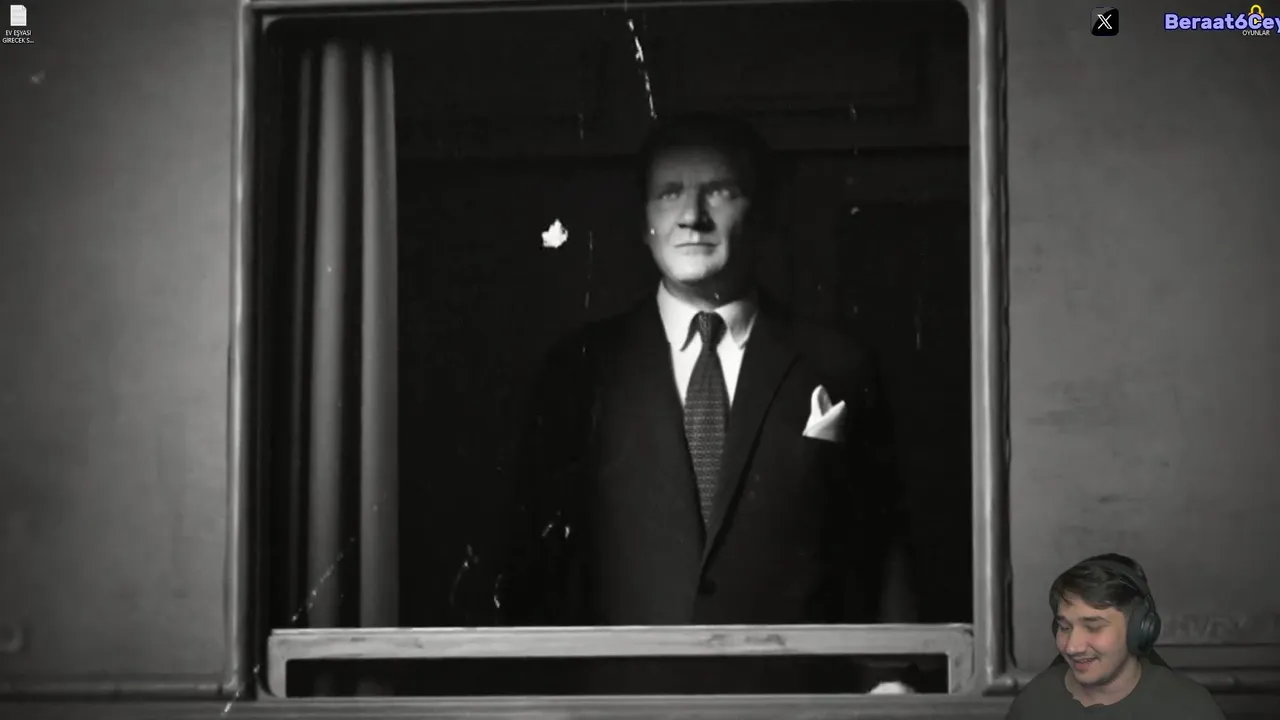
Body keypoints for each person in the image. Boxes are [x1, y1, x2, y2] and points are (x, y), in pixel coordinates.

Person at [499, 114, 913, 692]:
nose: (691, 216)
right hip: (618, 704)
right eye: (670, 193)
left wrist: (891, 680)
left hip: (791, 703)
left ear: (760, 214)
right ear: (644, 222)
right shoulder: (578, 367)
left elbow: (880, 537)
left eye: (719, 191)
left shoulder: (837, 362)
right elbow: (532, 558)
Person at [1006, 553, 1226, 719]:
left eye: (1093, 627)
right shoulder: (1034, 701)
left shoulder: (1190, 709)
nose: (1072, 647)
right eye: (1065, 627)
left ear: (1138, 629)